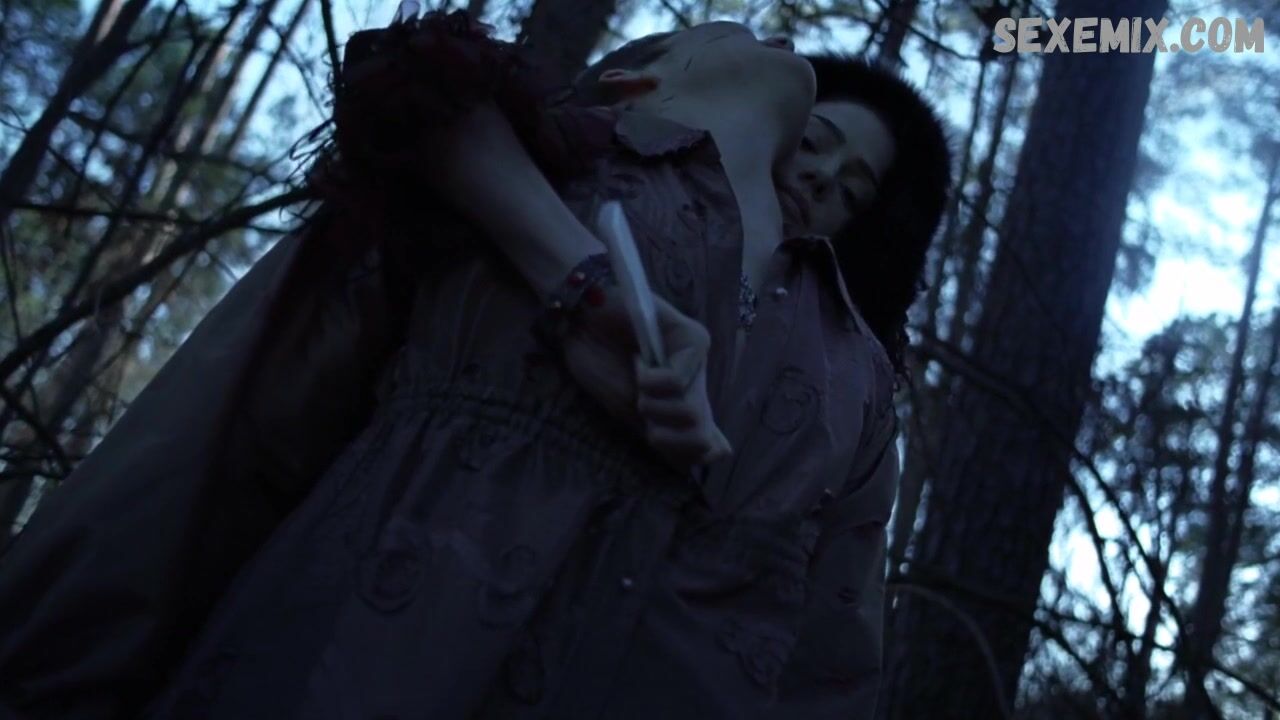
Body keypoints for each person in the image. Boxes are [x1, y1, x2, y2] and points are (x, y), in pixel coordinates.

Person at [0, 6, 950, 718]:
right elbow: (260, 415)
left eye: (853, 187)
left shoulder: (858, 380)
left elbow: (829, 659)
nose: (822, 174)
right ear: (632, 80)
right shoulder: (544, 164)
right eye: (813, 142)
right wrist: (581, 283)